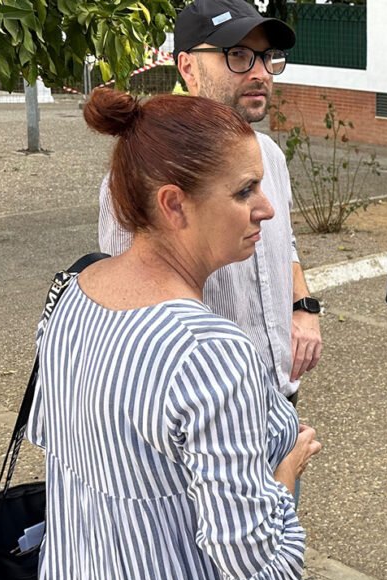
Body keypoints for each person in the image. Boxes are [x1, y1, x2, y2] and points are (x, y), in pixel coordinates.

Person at [26, 88, 332, 580]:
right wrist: (285, 473)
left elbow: (59, 449)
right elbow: (257, 574)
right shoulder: (209, 351)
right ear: (173, 204)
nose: (266, 208)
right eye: (245, 190)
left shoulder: (69, 296)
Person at [99, 0, 323, 408]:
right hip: (208, 410)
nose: (260, 73)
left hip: (281, 394)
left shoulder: (270, 155)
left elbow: (284, 242)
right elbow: (129, 308)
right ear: (187, 67)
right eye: (237, 55)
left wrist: (303, 306)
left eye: (267, 56)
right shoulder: (144, 174)